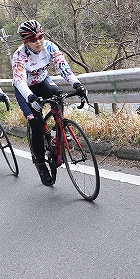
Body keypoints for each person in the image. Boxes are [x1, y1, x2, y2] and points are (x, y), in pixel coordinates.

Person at [11, 19, 88, 186]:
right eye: (33, 39)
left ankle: (57, 130)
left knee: (57, 96)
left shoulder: (50, 47)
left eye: (40, 37)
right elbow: (19, 81)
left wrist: (77, 84)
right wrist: (30, 98)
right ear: (26, 42)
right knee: (37, 126)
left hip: (43, 81)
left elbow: (63, 67)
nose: (38, 41)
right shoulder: (19, 55)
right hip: (25, 89)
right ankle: (41, 165)